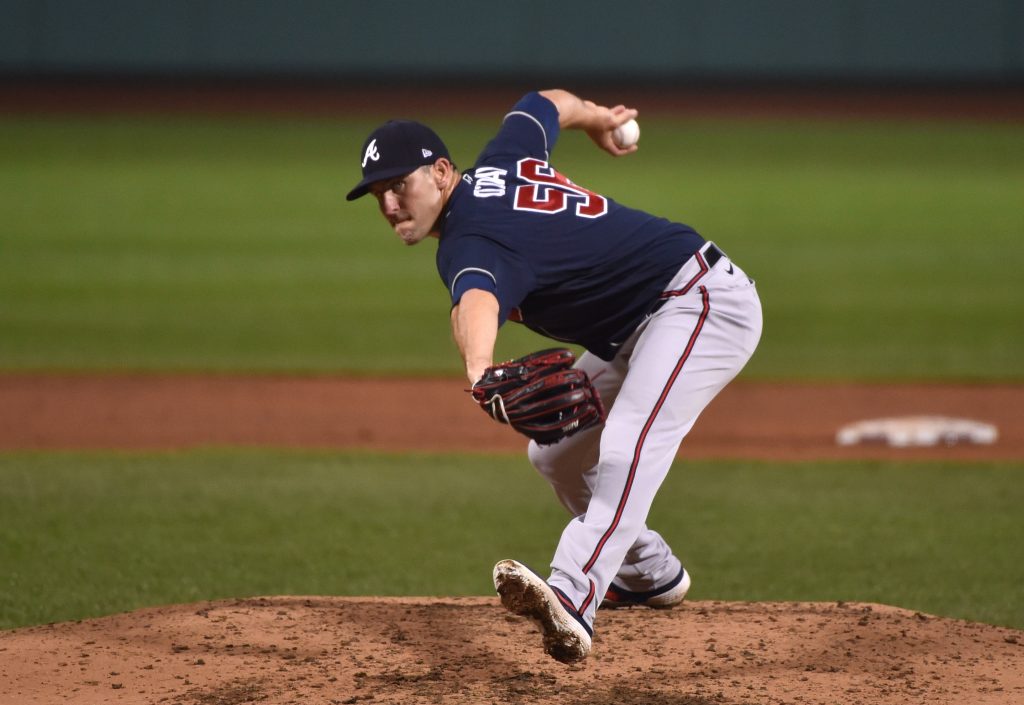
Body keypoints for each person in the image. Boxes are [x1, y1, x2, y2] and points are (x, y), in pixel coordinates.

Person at [346, 89, 762, 664]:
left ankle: (574, 590)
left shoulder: (469, 240)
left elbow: (477, 300)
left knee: (628, 442)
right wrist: (599, 120)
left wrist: (479, 371)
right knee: (556, 455)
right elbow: (543, 102)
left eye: (400, 185)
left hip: (700, 302)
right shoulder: (501, 161)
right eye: (377, 193)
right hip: (643, 322)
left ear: (441, 172)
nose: (389, 203)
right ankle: (648, 572)